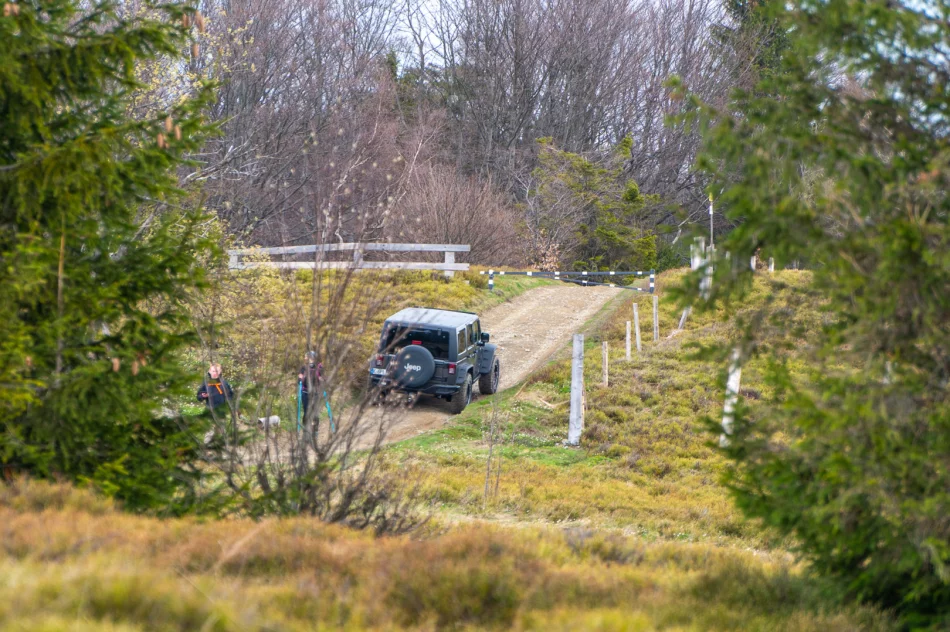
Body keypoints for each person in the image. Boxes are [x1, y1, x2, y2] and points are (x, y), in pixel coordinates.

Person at [197, 362, 234, 446]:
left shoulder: (224, 384)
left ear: (220, 372)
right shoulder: (206, 383)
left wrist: (230, 404)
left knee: (221, 433)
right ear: (209, 371)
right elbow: (199, 396)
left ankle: (221, 451)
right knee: (209, 432)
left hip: (221, 412)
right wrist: (203, 396)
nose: (215, 373)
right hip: (209, 411)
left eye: (217, 371)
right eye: (213, 371)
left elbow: (230, 395)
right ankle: (206, 449)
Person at [297, 351, 323, 421]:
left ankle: (315, 429)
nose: (304, 358)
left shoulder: (319, 367)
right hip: (305, 392)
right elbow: (299, 379)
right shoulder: (303, 367)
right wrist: (300, 378)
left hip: (315, 393)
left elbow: (323, 378)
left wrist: (321, 379)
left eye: (306, 356)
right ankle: (306, 428)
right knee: (306, 411)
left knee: (315, 411)